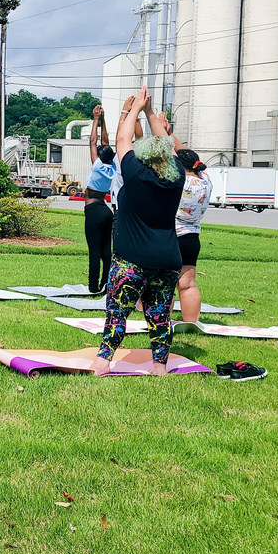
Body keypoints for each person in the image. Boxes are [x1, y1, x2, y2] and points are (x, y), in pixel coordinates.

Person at [92, 83, 184, 377]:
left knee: (117, 312)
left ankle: (103, 362)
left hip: (131, 259)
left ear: (143, 157)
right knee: (160, 315)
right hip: (168, 259)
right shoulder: (177, 178)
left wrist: (134, 109)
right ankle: (159, 366)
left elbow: (122, 138)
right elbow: (167, 143)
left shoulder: (135, 174)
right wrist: (150, 111)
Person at [173, 147, 212, 322]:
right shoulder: (205, 181)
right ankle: (190, 323)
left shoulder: (178, 181)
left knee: (165, 284)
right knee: (188, 284)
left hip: (172, 235)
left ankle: (161, 323)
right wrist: (170, 135)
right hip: (192, 237)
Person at [84, 104, 117, 294]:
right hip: (106, 211)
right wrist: (104, 121)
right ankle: (107, 284)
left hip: (94, 211)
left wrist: (96, 119)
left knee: (94, 252)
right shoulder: (112, 167)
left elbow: (93, 141)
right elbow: (105, 143)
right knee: (106, 251)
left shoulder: (97, 165)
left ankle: (93, 286)